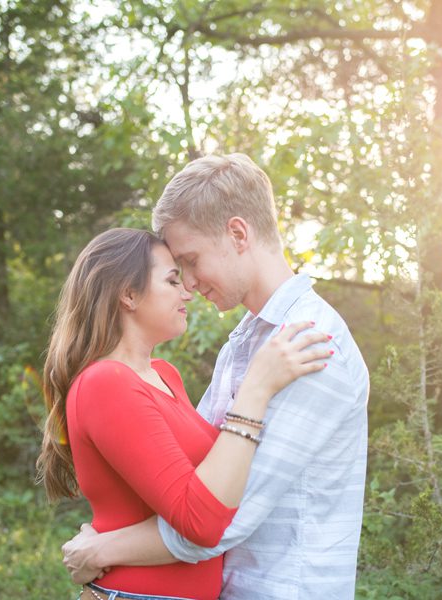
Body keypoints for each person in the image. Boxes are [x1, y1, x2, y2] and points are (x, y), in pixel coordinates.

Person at [62, 154, 370, 599]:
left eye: (190, 259)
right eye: (176, 271)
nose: (187, 282)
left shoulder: (310, 343)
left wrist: (102, 549)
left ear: (238, 234)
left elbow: (221, 518)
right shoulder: (246, 342)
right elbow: (201, 481)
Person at [36, 227, 332, 600]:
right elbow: (201, 521)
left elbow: (214, 483)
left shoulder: (164, 375)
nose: (187, 292)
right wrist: (256, 389)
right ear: (128, 294)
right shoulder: (105, 383)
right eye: (173, 280)